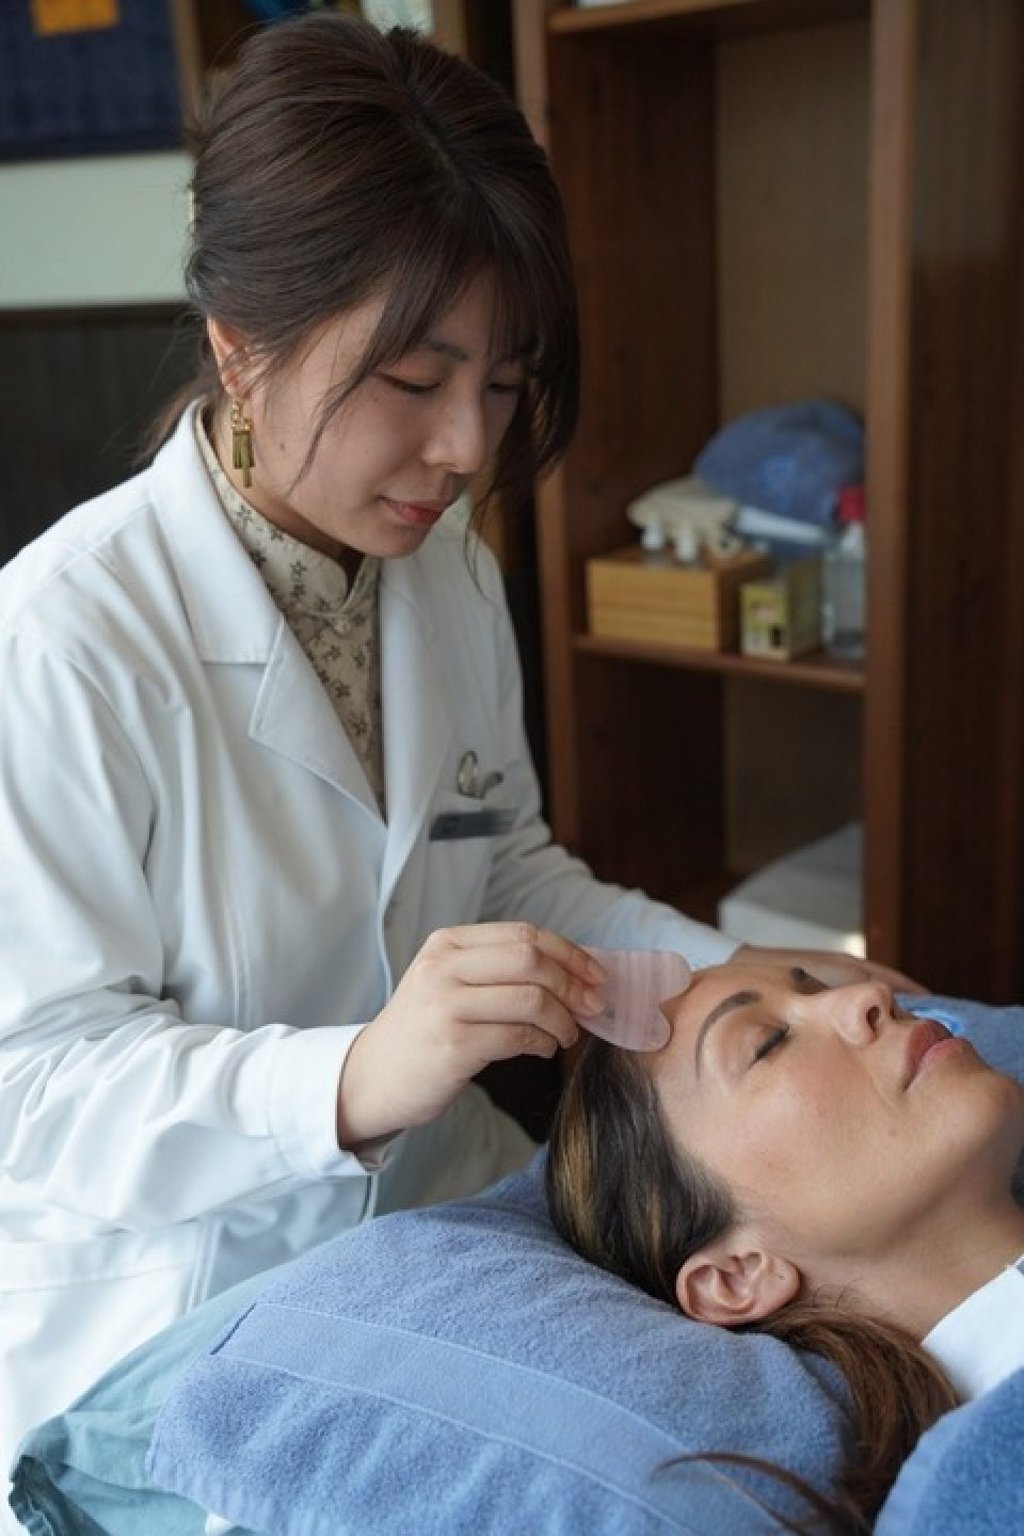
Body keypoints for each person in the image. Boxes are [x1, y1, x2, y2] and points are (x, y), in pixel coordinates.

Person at [0, 12, 911, 1500]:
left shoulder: (437, 569)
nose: (467, 450)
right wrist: (352, 1078)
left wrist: (779, 992)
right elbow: (30, 1084)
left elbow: (512, 874)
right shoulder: (65, 643)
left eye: (501, 383)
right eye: (413, 383)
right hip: (170, 1318)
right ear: (244, 346)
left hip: (431, 1244)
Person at [547, 959, 1024, 1529]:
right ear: (737, 1275)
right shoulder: (975, 1496)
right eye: (768, 1044)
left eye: (819, 988)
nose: (870, 996)